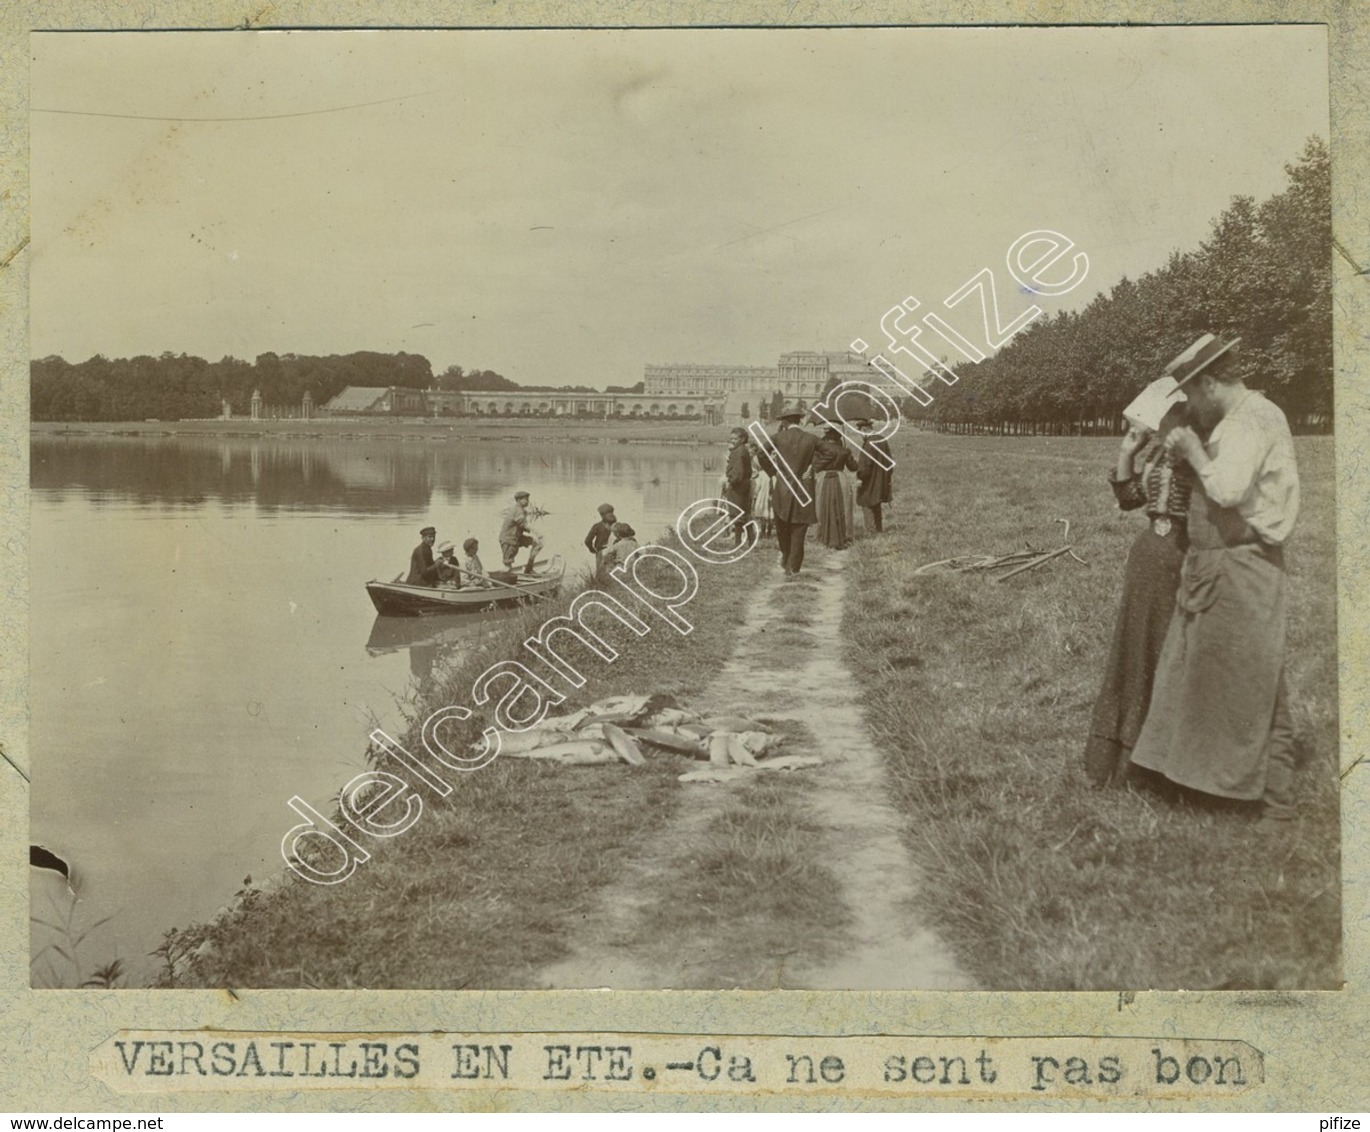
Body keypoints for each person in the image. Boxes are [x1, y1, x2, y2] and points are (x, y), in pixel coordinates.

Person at [1127, 334, 1302, 831]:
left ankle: (1277, 804)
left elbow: (1226, 490)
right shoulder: (1232, 420)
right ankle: (1202, 781)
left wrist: (1193, 452)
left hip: (1245, 565)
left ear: (1207, 381)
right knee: (1209, 676)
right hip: (1216, 565)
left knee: (1257, 679)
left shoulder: (1253, 418)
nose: (1187, 401)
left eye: (1188, 390)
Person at [1083, 397, 1194, 786]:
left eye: (1165, 417)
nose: (1156, 425)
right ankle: (1118, 761)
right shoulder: (1159, 450)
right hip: (1148, 557)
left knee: (1169, 651)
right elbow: (1130, 500)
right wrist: (1127, 451)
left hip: (1185, 558)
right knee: (1136, 650)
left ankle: (1158, 765)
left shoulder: (1203, 448)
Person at [755, 403, 818, 576]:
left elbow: (761, 453)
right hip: (804, 489)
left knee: (782, 526)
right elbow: (830, 453)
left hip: (783, 488)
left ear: (784, 421)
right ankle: (794, 567)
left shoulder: (777, 438)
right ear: (799, 419)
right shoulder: (811, 439)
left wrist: (773, 472)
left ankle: (786, 557)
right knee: (799, 529)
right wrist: (813, 467)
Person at [812, 425, 858, 549]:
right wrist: (849, 454)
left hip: (823, 478)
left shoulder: (821, 450)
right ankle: (844, 535)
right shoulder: (844, 450)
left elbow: (815, 465)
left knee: (821, 505)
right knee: (843, 506)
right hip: (840, 478)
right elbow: (853, 467)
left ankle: (823, 535)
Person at [854, 419, 894, 534]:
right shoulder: (882, 439)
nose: (861, 435)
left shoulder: (868, 444)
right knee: (876, 503)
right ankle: (879, 529)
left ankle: (871, 532)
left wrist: (860, 478)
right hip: (881, 480)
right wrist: (887, 478)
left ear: (864, 430)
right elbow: (889, 462)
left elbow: (865, 466)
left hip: (869, 481)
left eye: (860, 432)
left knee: (866, 503)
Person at [499, 490, 545, 574]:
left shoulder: (520, 509)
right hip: (509, 540)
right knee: (507, 566)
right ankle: (505, 582)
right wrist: (537, 533)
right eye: (526, 499)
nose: (528, 501)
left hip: (516, 538)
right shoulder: (517, 509)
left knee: (537, 543)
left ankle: (529, 568)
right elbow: (524, 524)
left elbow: (522, 525)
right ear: (519, 500)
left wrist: (532, 532)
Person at [723, 427, 754, 545]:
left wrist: (731, 482)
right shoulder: (741, 450)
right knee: (744, 514)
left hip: (738, 487)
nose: (732, 441)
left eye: (735, 438)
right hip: (743, 486)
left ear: (742, 439)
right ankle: (749, 541)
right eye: (731, 438)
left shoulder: (739, 451)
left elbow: (739, 472)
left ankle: (738, 543)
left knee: (737, 515)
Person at [584, 503, 617, 571]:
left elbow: (587, 541)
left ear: (601, 515)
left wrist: (592, 549)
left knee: (600, 571)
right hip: (615, 551)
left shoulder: (597, 526)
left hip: (601, 551)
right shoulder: (618, 526)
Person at [750, 445, 773, 540]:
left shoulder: (760, 475)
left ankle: (763, 532)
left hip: (762, 497)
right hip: (770, 496)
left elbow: (757, 488)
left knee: (763, 514)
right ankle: (768, 533)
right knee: (770, 514)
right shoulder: (770, 474)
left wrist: (754, 497)